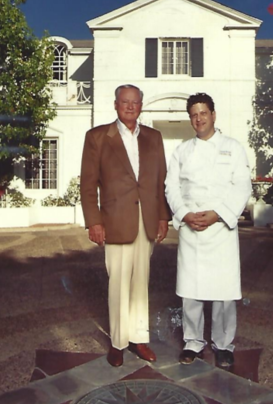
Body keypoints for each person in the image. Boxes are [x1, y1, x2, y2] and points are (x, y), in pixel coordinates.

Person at [80, 84, 170, 367]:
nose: (130, 106)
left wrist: (163, 217)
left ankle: (139, 339)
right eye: (125, 102)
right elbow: (87, 184)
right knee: (118, 282)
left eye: (135, 102)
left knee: (141, 281)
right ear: (116, 104)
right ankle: (118, 343)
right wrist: (94, 221)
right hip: (115, 221)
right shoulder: (97, 137)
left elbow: (160, 181)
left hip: (146, 221)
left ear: (141, 105)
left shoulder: (154, 137)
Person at [165, 92, 251, 368]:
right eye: (194, 115)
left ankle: (223, 344)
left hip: (220, 228)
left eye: (203, 113)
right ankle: (193, 342)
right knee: (191, 290)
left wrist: (218, 215)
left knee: (223, 292)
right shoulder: (182, 151)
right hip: (192, 228)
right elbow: (171, 187)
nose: (199, 119)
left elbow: (242, 186)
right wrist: (184, 214)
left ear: (213, 115)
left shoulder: (233, 148)